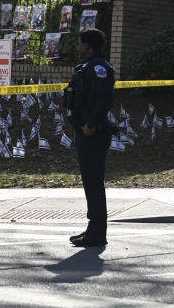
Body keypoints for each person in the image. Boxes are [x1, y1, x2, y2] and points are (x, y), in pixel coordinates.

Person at [64, 28, 115, 248]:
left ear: (88, 45)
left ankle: (97, 233)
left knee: (94, 182)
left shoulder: (100, 68)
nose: (78, 47)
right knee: (89, 182)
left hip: (92, 131)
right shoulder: (88, 67)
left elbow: (103, 100)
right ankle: (92, 229)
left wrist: (91, 124)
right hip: (84, 129)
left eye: (80, 43)